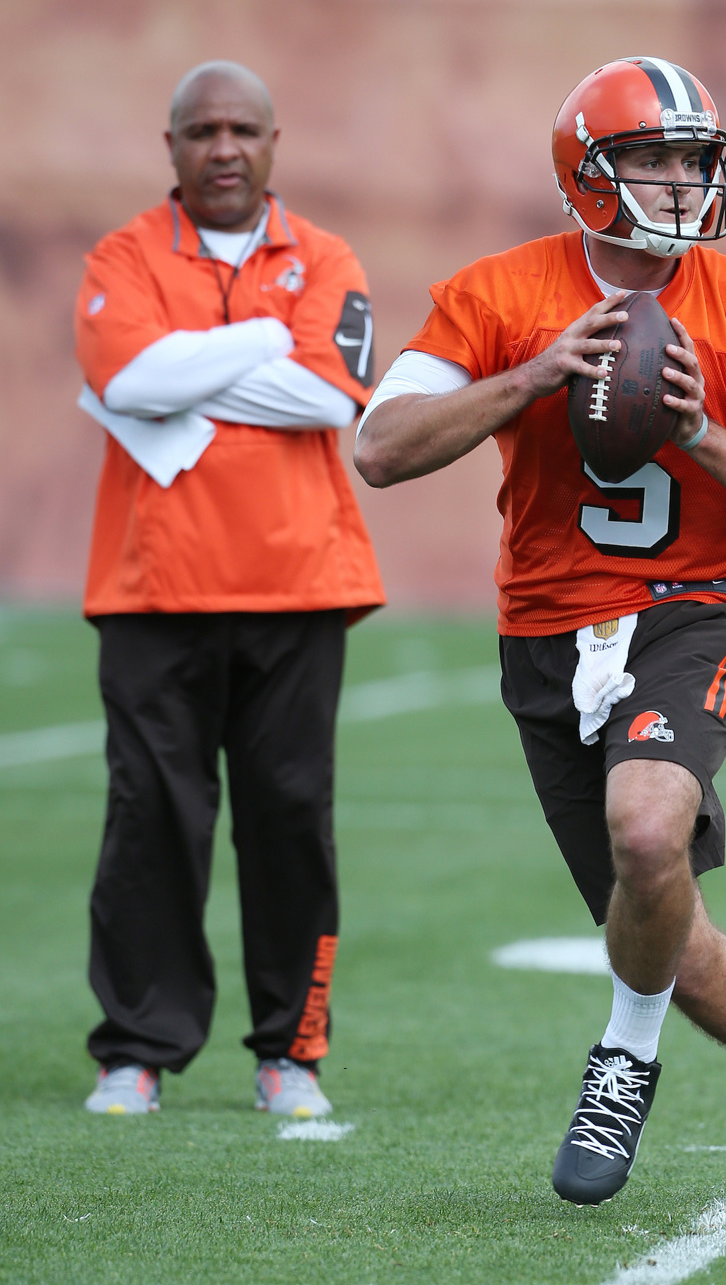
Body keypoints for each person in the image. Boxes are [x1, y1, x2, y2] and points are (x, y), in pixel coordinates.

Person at [354, 57, 726, 1216]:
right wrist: (532, 376)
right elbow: (381, 447)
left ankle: (622, 1056)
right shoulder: (496, 293)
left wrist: (693, 432)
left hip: (689, 611)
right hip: (544, 631)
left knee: (643, 832)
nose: (679, 183)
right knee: (668, 921)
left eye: (693, 160)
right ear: (585, 173)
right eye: (651, 160)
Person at [75, 61, 384, 1117]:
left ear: (271, 142)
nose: (222, 148)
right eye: (200, 130)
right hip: (151, 589)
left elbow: (326, 394)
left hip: (299, 585)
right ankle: (136, 1052)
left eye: (241, 129)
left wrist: (190, 362)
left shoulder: (328, 256)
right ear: (169, 146)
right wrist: (258, 343)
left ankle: (289, 1054)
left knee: (290, 818)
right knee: (150, 819)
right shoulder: (121, 254)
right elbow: (123, 382)